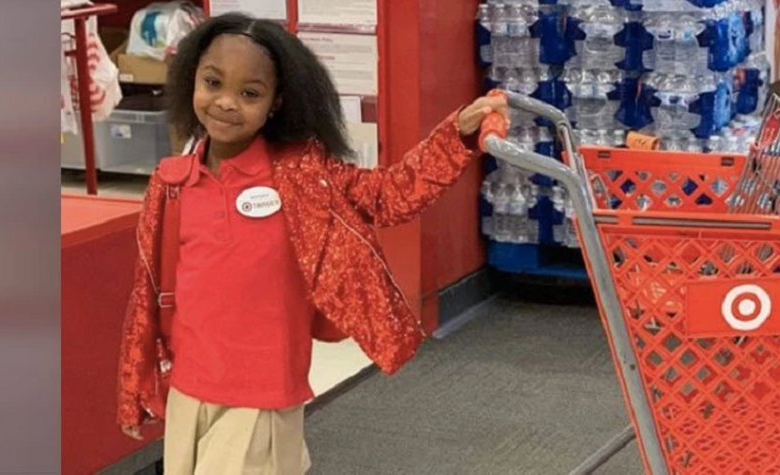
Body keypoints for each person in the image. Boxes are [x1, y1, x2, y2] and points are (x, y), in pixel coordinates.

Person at [116, 12, 509, 475]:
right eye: (213, 82)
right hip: (191, 385)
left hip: (261, 387)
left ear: (276, 102)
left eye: (249, 93)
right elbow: (149, 292)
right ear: (190, 80)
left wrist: (456, 135)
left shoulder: (304, 175)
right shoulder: (172, 183)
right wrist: (136, 383)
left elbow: (389, 195)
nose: (225, 103)